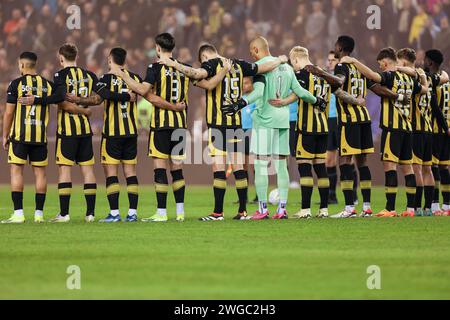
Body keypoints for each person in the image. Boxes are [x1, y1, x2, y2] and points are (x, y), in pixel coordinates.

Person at [158, 43, 286, 221]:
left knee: (219, 169)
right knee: (239, 168)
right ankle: (243, 211)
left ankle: (218, 212)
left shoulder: (211, 65)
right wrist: (279, 60)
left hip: (218, 125)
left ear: (204, 57)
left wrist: (175, 65)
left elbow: (197, 74)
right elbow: (262, 67)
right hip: (236, 124)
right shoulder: (239, 64)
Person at [223, 37, 326, 220]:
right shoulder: (287, 68)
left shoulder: (261, 67)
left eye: (251, 51)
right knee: (281, 165)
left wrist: (241, 103)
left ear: (256, 50)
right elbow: (300, 92)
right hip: (283, 120)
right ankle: (282, 209)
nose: (251, 55)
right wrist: (317, 100)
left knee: (261, 164)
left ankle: (262, 209)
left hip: (265, 120)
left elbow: (259, 93)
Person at [270, 47, 365, 219]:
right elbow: (338, 91)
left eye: (293, 63)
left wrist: (283, 100)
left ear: (297, 60)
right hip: (323, 127)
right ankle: (323, 209)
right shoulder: (324, 75)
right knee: (321, 168)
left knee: (304, 167)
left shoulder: (302, 74)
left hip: (307, 127)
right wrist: (357, 101)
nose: (294, 66)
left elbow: (298, 93)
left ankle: (305, 210)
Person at [110, 33, 191, 223]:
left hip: (161, 125)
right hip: (180, 125)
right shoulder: (184, 68)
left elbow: (142, 90)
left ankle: (161, 212)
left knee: (160, 168)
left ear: (157, 48)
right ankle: (180, 212)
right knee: (177, 168)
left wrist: (121, 74)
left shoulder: (154, 67)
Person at [1, 52, 88, 224]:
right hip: (40, 137)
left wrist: (5, 135)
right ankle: (39, 214)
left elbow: (9, 112)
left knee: (16, 171)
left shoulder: (16, 84)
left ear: (22, 65)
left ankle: (18, 214)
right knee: (40, 174)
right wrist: (84, 111)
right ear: (35, 64)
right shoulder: (48, 85)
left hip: (19, 136)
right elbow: (62, 101)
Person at [341, 47, 428, 217]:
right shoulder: (410, 80)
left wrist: (354, 61)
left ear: (386, 62)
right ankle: (411, 209)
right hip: (407, 129)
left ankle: (390, 208)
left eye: (381, 64)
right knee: (408, 168)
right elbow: (425, 90)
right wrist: (422, 76)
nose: (380, 67)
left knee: (390, 166)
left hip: (392, 128)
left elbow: (373, 77)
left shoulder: (390, 75)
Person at [331, 36, 405, 218]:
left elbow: (339, 84)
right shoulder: (360, 67)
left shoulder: (341, 66)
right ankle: (366, 206)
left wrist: (329, 80)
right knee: (362, 163)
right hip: (364, 120)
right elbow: (377, 88)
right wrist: (398, 96)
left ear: (339, 48)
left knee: (345, 162)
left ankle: (349, 208)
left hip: (349, 120)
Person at [68, 48, 143, 222]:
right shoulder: (135, 78)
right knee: (130, 172)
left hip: (112, 133)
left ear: (110, 59)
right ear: (125, 59)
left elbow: (97, 99)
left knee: (111, 172)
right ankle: (132, 213)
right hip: (131, 132)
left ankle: (115, 213)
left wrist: (78, 99)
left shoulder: (106, 79)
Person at [397, 48, 449, 216]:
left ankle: (417, 207)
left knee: (417, 169)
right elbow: (444, 80)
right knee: (428, 169)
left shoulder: (414, 78)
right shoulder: (429, 79)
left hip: (417, 130)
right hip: (428, 129)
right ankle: (428, 207)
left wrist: (396, 69)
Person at [424, 49, 450, 216]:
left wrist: (445, 127)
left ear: (430, 62)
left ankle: (434, 206)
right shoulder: (447, 79)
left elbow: (434, 108)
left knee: (432, 167)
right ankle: (447, 205)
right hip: (447, 129)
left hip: (436, 129)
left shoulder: (433, 81)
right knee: (445, 167)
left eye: (425, 59)